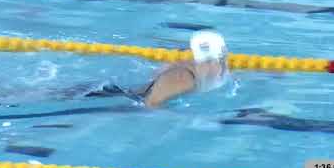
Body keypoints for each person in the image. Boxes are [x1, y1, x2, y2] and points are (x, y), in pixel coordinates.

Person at [84, 30, 230, 108]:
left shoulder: (219, 70)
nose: (216, 66)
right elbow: (150, 104)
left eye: (219, 61)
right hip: (108, 96)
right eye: (209, 61)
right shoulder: (183, 77)